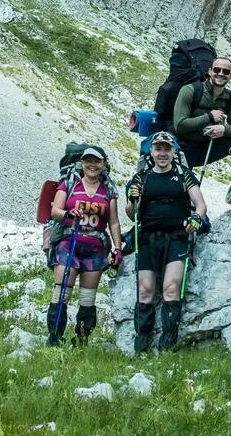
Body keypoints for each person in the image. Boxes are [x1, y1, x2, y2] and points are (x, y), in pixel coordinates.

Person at [125, 131, 207, 353]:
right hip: (147, 237)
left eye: (167, 149)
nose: (162, 153)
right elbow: (131, 213)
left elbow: (200, 204)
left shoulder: (184, 175)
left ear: (174, 152)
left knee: (171, 288)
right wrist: (133, 199)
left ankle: (167, 346)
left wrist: (197, 218)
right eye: (158, 148)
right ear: (151, 151)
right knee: (145, 290)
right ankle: (141, 345)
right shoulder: (140, 178)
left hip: (177, 237)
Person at [47, 146, 124, 346]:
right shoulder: (70, 183)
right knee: (62, 291)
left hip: (95, 248)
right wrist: (68, 214)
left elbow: (113, 222)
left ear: (104, 164)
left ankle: (82, 339)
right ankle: (54, 337)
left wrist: (117, 248)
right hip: (69, 242)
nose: (92, 165)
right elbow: (55, 209)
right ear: (82, 162)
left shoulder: (109, 190)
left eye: (97, 161)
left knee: (88, 298)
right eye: (88, 160)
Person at [172, 57, 231, 179]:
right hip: (184, 148)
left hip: (209, 146)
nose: (221, 74)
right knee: (183, 188)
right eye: (217, 70)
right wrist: (209, 117)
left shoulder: (230, 97)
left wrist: (224, 130)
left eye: (226, 71)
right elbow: (179, 125)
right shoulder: (189, 90)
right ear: (210, 71)